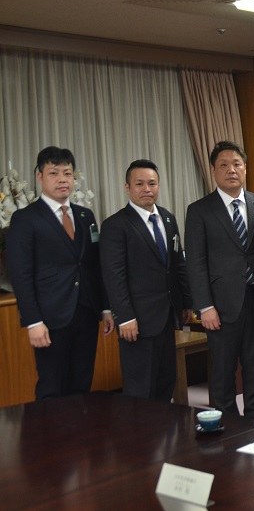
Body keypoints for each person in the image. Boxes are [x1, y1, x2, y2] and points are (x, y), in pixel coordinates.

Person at [6, 146, 114, 399]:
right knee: (52, 388)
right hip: (50, 317)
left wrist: (105, 308)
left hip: (86, 313)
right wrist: (33, 321)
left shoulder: (85, 216)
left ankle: (78, 426)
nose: (62, 179)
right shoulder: (25, 219)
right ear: (40, 177)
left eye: (67, 173)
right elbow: (20, 274)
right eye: (54, 173)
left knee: (82, 384)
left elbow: (94, 265)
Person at [185, 141, 254, 421]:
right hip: (220, 306)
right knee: (223, 372)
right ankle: (229, 426)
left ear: (245, 168)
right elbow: (195, 262)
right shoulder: (199, 210)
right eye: (223, 165)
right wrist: (204, 306)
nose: (231, 170)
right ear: (213, 170)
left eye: (236, 164)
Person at [100, 160, 193, 402]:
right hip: (136, 321)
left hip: (167, 317)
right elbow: (114, 275)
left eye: (152, 183)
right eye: (139, 184)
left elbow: (178, 265)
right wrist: (125, 317)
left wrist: (186, 303)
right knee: (140, 390)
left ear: (159, 185)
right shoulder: (115, 225)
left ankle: (162, 428)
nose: (146, 189)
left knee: (165, 382)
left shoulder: (168, 219)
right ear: (127, 187)